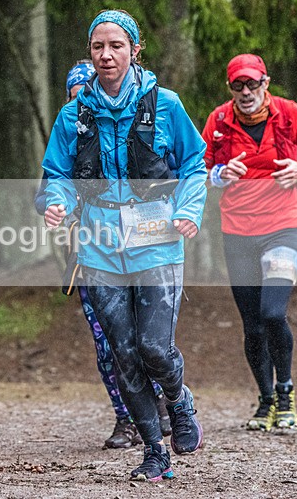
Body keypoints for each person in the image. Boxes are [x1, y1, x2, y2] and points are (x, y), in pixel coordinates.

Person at [41, 10, 207, 482]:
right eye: (98, 47)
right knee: (123, 354)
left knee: (155, 347)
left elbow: (195, 163)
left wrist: (188, 211)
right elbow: (57, 174)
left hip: (156, 242)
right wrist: (57, 203)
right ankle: (154, 449)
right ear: (90, 53)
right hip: (99, 247)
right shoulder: (75, 113)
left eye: (116, 45)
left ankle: (179, 399)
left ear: (135, 50)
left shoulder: (166, 104)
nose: (106, 54)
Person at [36, 60, 172, 450]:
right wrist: (59, 207)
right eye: (77, 99)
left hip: (143, 250)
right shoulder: (69, 135)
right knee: (109, 344)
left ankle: (163, 403)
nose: (86, 108)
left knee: (150, 339)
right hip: (90, 257)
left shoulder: (135, 132)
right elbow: (45, 192)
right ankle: (125, 419)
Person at [202, 54, 297, 431]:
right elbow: (199, 173)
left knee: (273, 312)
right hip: (238, 232)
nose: (246, 92)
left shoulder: (289, 115)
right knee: (253, 326)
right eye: (238, 86)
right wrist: (222, 174)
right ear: (230, 88)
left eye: (252, 84)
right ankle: (266, 399)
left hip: (284, 227)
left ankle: (286, 393)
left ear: (266, 83)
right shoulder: (219, 121)